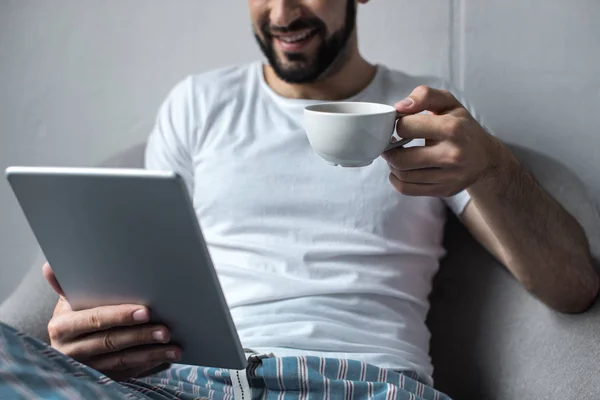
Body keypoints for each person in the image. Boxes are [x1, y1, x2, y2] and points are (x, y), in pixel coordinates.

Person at [1, 0, 598, 399]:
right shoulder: (199, 103)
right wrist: (86, 321)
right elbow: (139, 278)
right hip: (193, 384)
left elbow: (572, 287)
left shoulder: (423, 112)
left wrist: (492, 165)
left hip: (366, 385)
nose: (284, 12)